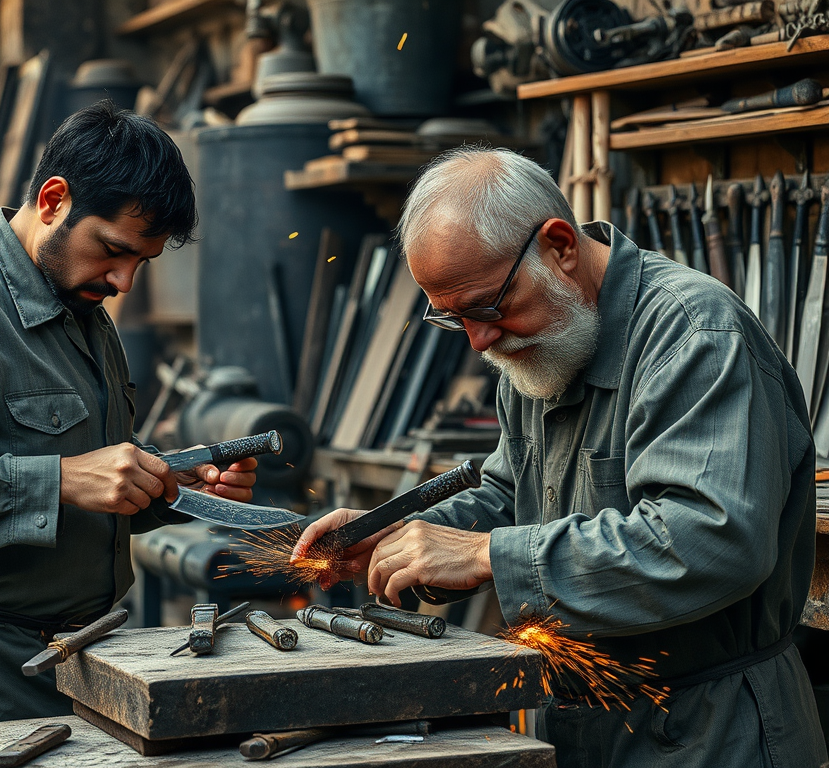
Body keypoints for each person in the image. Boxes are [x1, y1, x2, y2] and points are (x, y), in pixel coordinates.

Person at [294, 147, 828, 767]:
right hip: (583, 724)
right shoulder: (535, 344)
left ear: (559, 247)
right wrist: (395, 534)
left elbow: (712, 538)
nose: (479, 341)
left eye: (488, 308)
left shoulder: (691, 335)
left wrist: (486, 555)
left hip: (708, 733)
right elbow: (509, 492)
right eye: (454, 319)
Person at [0, 101, 257, 767]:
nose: (122, 281)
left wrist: (167, 487)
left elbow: (81, 495)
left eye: (140, 264)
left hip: (70, 686)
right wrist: (63, 480)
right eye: (115, 251)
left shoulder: (84, 316)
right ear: (54, 199)